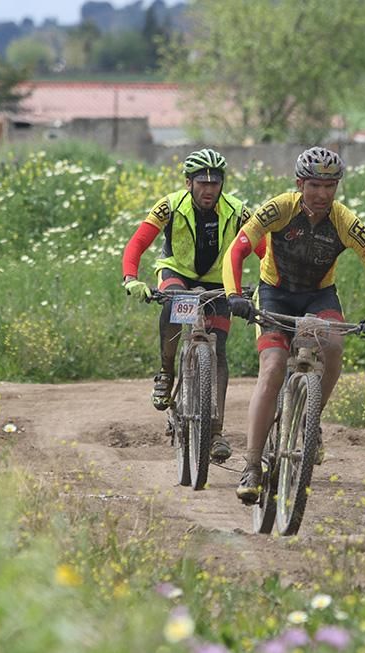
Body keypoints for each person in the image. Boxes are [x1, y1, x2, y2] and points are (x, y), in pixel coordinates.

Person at [222, 146, 365, 504]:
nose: (322, 194)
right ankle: (253, 465)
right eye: (315, 185)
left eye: (330, 186)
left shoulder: (344, 220)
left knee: (333, 344)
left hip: (319, 297)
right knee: (272, 369)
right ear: (300, 184)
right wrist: (234, 294)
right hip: (275, 293)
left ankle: (310, 421)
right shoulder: (280, 208)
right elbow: (237, 250)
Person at [121, 148, 251, 463]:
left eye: (215, 182)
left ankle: (216, 432)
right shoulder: (170, 206)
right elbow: (138, 242)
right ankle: (166, 373)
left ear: (223, 184)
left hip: (219, 282)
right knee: (176, 300)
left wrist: (270, 285)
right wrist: (130, 278)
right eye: (201, 182)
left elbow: (265, 247)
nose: (209, 189)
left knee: (218, 350)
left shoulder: (237, 211)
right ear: (188, 182)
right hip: (176, 272)